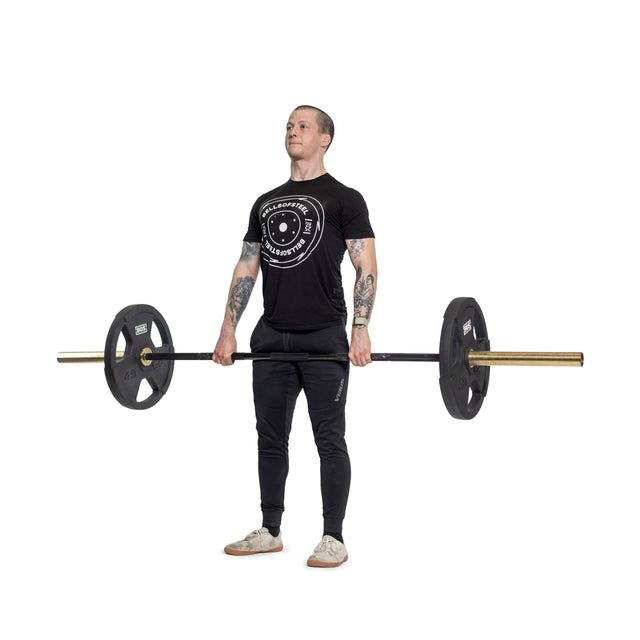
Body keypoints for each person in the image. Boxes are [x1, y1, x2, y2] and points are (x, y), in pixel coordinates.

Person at [213, 105, 377, 568]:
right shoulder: (265, 202)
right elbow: (248, 265)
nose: (293, 130)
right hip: (272, 338)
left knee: (329, 438)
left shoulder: (345, 198)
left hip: (325, 336)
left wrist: (359, 328)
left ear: (325, 138)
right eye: (289, 125)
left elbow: (366, 265)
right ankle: (269, 529)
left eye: (303, 125)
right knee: (270, 438)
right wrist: (229, 329)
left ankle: (333, 538)